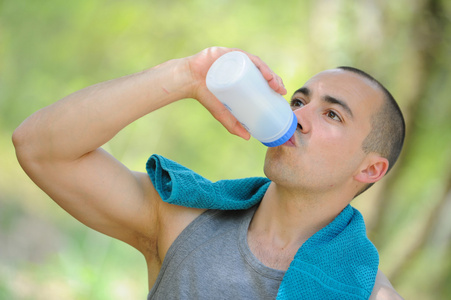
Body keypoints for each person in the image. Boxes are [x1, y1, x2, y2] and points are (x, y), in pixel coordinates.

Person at [13, 47, 405, 299]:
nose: (296, 116)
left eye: (332, 114)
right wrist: (184, 76)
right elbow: (39, 148)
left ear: (370, 168)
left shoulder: (366, 293)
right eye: (298, 100)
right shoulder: (181, 219)